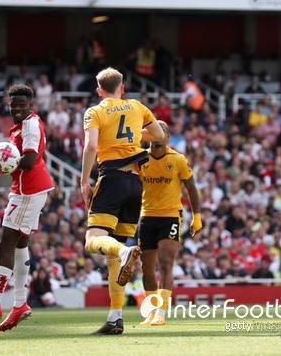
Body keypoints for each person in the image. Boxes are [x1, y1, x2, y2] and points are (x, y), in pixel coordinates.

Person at [81, 67, 164, 335]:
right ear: (122, 88)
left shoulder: (94, 112)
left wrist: (84, 181)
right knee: (112, 256)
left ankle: (125, 252)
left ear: (99, 90)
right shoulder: (137, 107)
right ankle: (115, 317)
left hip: (112, 179)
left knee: (93, 240)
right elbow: (160, 136)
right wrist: (136, 135)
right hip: (135, 183)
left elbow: (90, 146)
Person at [0, 84, 54, 331]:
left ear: (30, 105)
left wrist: (5, 163)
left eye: (22, 105)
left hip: (28, 192)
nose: (17, 109)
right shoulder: (23, 124)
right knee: (19, 245)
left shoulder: (30, 126)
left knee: (6, 244)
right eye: (13, 105)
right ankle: (19, 304)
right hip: (29, 190)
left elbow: (29, 160)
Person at [138, 121, 201, 326]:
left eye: (161, 132)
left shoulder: (178, 159)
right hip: (147, 216)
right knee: (147, 268)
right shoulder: (140, 158)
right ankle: (151, 311)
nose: (157, 135)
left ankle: (161, 312)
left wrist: (197, 216)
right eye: (153, 132)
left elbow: (191, 188)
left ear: (167, 137)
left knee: (165, 263)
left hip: (170, 216)